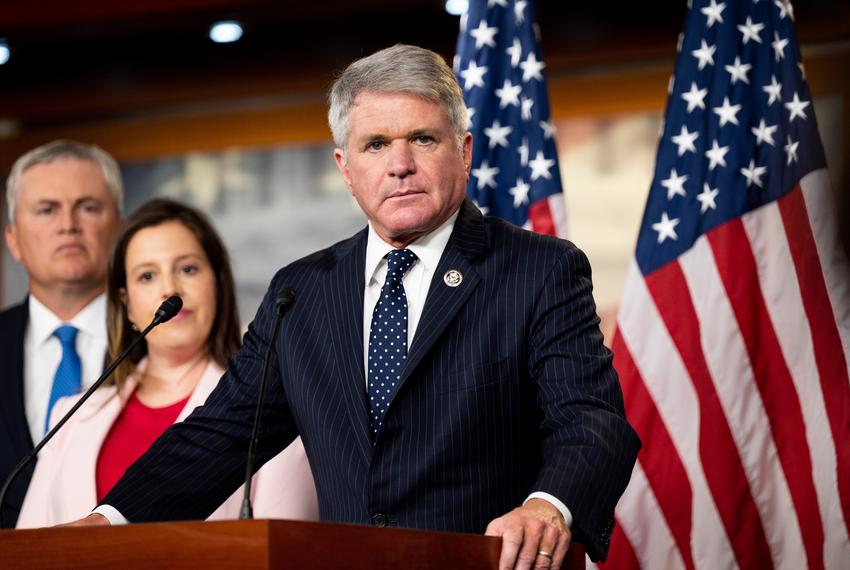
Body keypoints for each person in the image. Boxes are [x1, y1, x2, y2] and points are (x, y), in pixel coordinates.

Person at [77, 45, 640, 569]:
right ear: (346, 169)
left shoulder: (538, 269)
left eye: (422, 139)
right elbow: (222, 434)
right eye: (376, 145)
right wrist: (108, 521)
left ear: (464, 153)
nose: (399, 164)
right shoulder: (301, 292)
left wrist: (548, 506)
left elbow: (590, 417)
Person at [16, 198, 318, 527]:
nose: (170, 288)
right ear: (126, 302)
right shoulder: (72, 416)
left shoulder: (270, 408)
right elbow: (32, 545)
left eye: (188, 269)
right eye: (147, 276)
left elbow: (278, 548)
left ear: (217, 283)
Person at [0, 140, 123, 528]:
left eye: (87, 207)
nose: (68, 224)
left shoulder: (162, 342)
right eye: (46, 210)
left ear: (119, 231)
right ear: (14, 240)